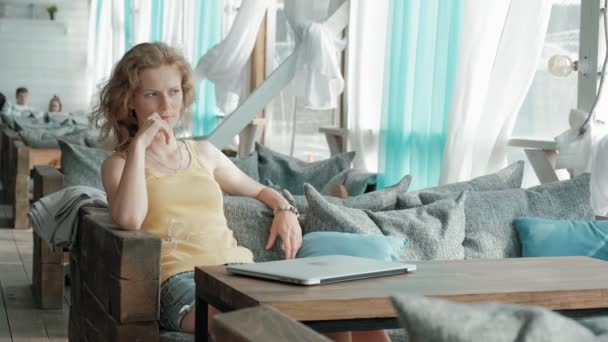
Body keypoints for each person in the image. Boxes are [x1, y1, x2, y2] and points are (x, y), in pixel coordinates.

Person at [94, 42, 389, 342]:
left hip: (240, 271)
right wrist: (140, 146)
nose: (166, 106)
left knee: (353, 315)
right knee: (268, 322)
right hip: (180, 282)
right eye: (151, 95)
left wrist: (284, 209)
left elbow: (260, 190)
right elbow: (129, 219)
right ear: (130, 100)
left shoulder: (203, 153)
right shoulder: (119, 165)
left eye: (174, 92)